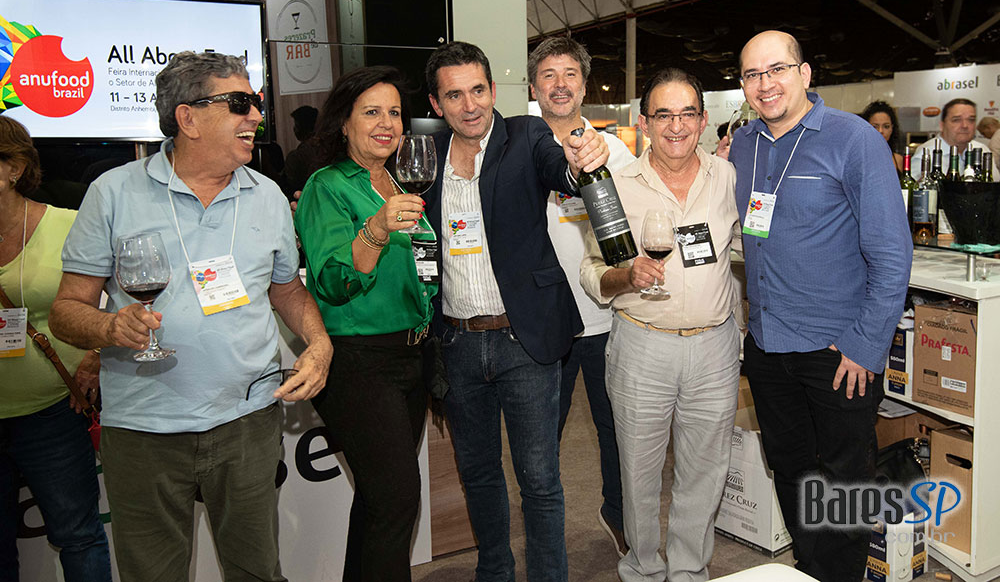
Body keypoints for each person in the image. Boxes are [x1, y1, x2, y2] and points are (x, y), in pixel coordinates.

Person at [49, 51, 333, 582]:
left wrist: (318, 343)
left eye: (256, 102)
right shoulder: (113, 193)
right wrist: (110, 327)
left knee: (257, 571)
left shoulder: (267, 195)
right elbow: (65, 311)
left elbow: (287, 290)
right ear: (188, 117)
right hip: (144, 430)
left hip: (248, 420)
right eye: (240, 103)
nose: (256, 115)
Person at [729, 30, 911, 582]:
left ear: (805, 73)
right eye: (753, 74)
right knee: (790, 471)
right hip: (767, 346)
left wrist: (865, 346)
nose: (766, 84)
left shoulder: (854, 140)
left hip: (838, 352)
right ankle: (809, 570)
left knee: (843, 484)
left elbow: (892, 255)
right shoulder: (743, 144)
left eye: (777, 69)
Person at [423, 41, 608, 582]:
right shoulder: (426, 155)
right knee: (479, 475)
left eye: (478, 90)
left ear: (493, 90)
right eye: (454, 95)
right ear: (436, 104)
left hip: (522, 340)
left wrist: (579, 164)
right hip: (457, 342)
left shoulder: (526, 136)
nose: (470, 105)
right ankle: (495, 572)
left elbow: (560, 171)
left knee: (540, 480)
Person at [581, 68, 741, 582]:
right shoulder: (616, 187)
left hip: (715, 347)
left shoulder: (728, 177)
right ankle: (643, 568)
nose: (677, 125)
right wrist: (626, 275)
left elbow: (745, 246)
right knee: (639, 472)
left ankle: (690, 570)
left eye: (687, 113)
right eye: (664, 114)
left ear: (703, 120)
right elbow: (592, 270)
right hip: (642, 347)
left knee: (705, 471)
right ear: (645, 122)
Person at [294, 66, 432, 582]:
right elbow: (332, 281)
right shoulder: (326, 186)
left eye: (394, 112)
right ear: (343, 123)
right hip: (359, 362)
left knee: (379, 501)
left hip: (412, 355)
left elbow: (420, 267)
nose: (386, 123)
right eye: (371, 112)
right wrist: (374, 228)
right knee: (396, 498)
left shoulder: (398, 180)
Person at [526, 35, 635, 559]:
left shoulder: (615, 151)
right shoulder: (520, 151)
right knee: (540, 442)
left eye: (570, 74)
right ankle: (546, 542)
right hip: (544, 321)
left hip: (607, 316)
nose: (560, 84)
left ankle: (618, 514)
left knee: (617, 430)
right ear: (533, 87)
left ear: (585, 86)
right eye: (548, 75)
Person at [0, 117, 112, 582]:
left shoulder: (67, 225)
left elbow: (122, 301)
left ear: (14, 168)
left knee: (78, 535)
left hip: (53, 411)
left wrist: (97, 356)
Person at [911, 98, 999, 180]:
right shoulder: (926, 154)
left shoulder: (983, 151)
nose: (965, 125)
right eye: (956, 120)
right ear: (942, 125)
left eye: (971, 120)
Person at [281, 105, 322, 197]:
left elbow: (288, 187)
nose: (294, 129)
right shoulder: (328, 149)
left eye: (296, 125)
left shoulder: (296, 156)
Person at [860, 100, 905, 172]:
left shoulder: (898, 160)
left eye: (886, 126)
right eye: (875, 127)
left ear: (892, 129)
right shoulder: (859, 159)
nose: (880, 131)